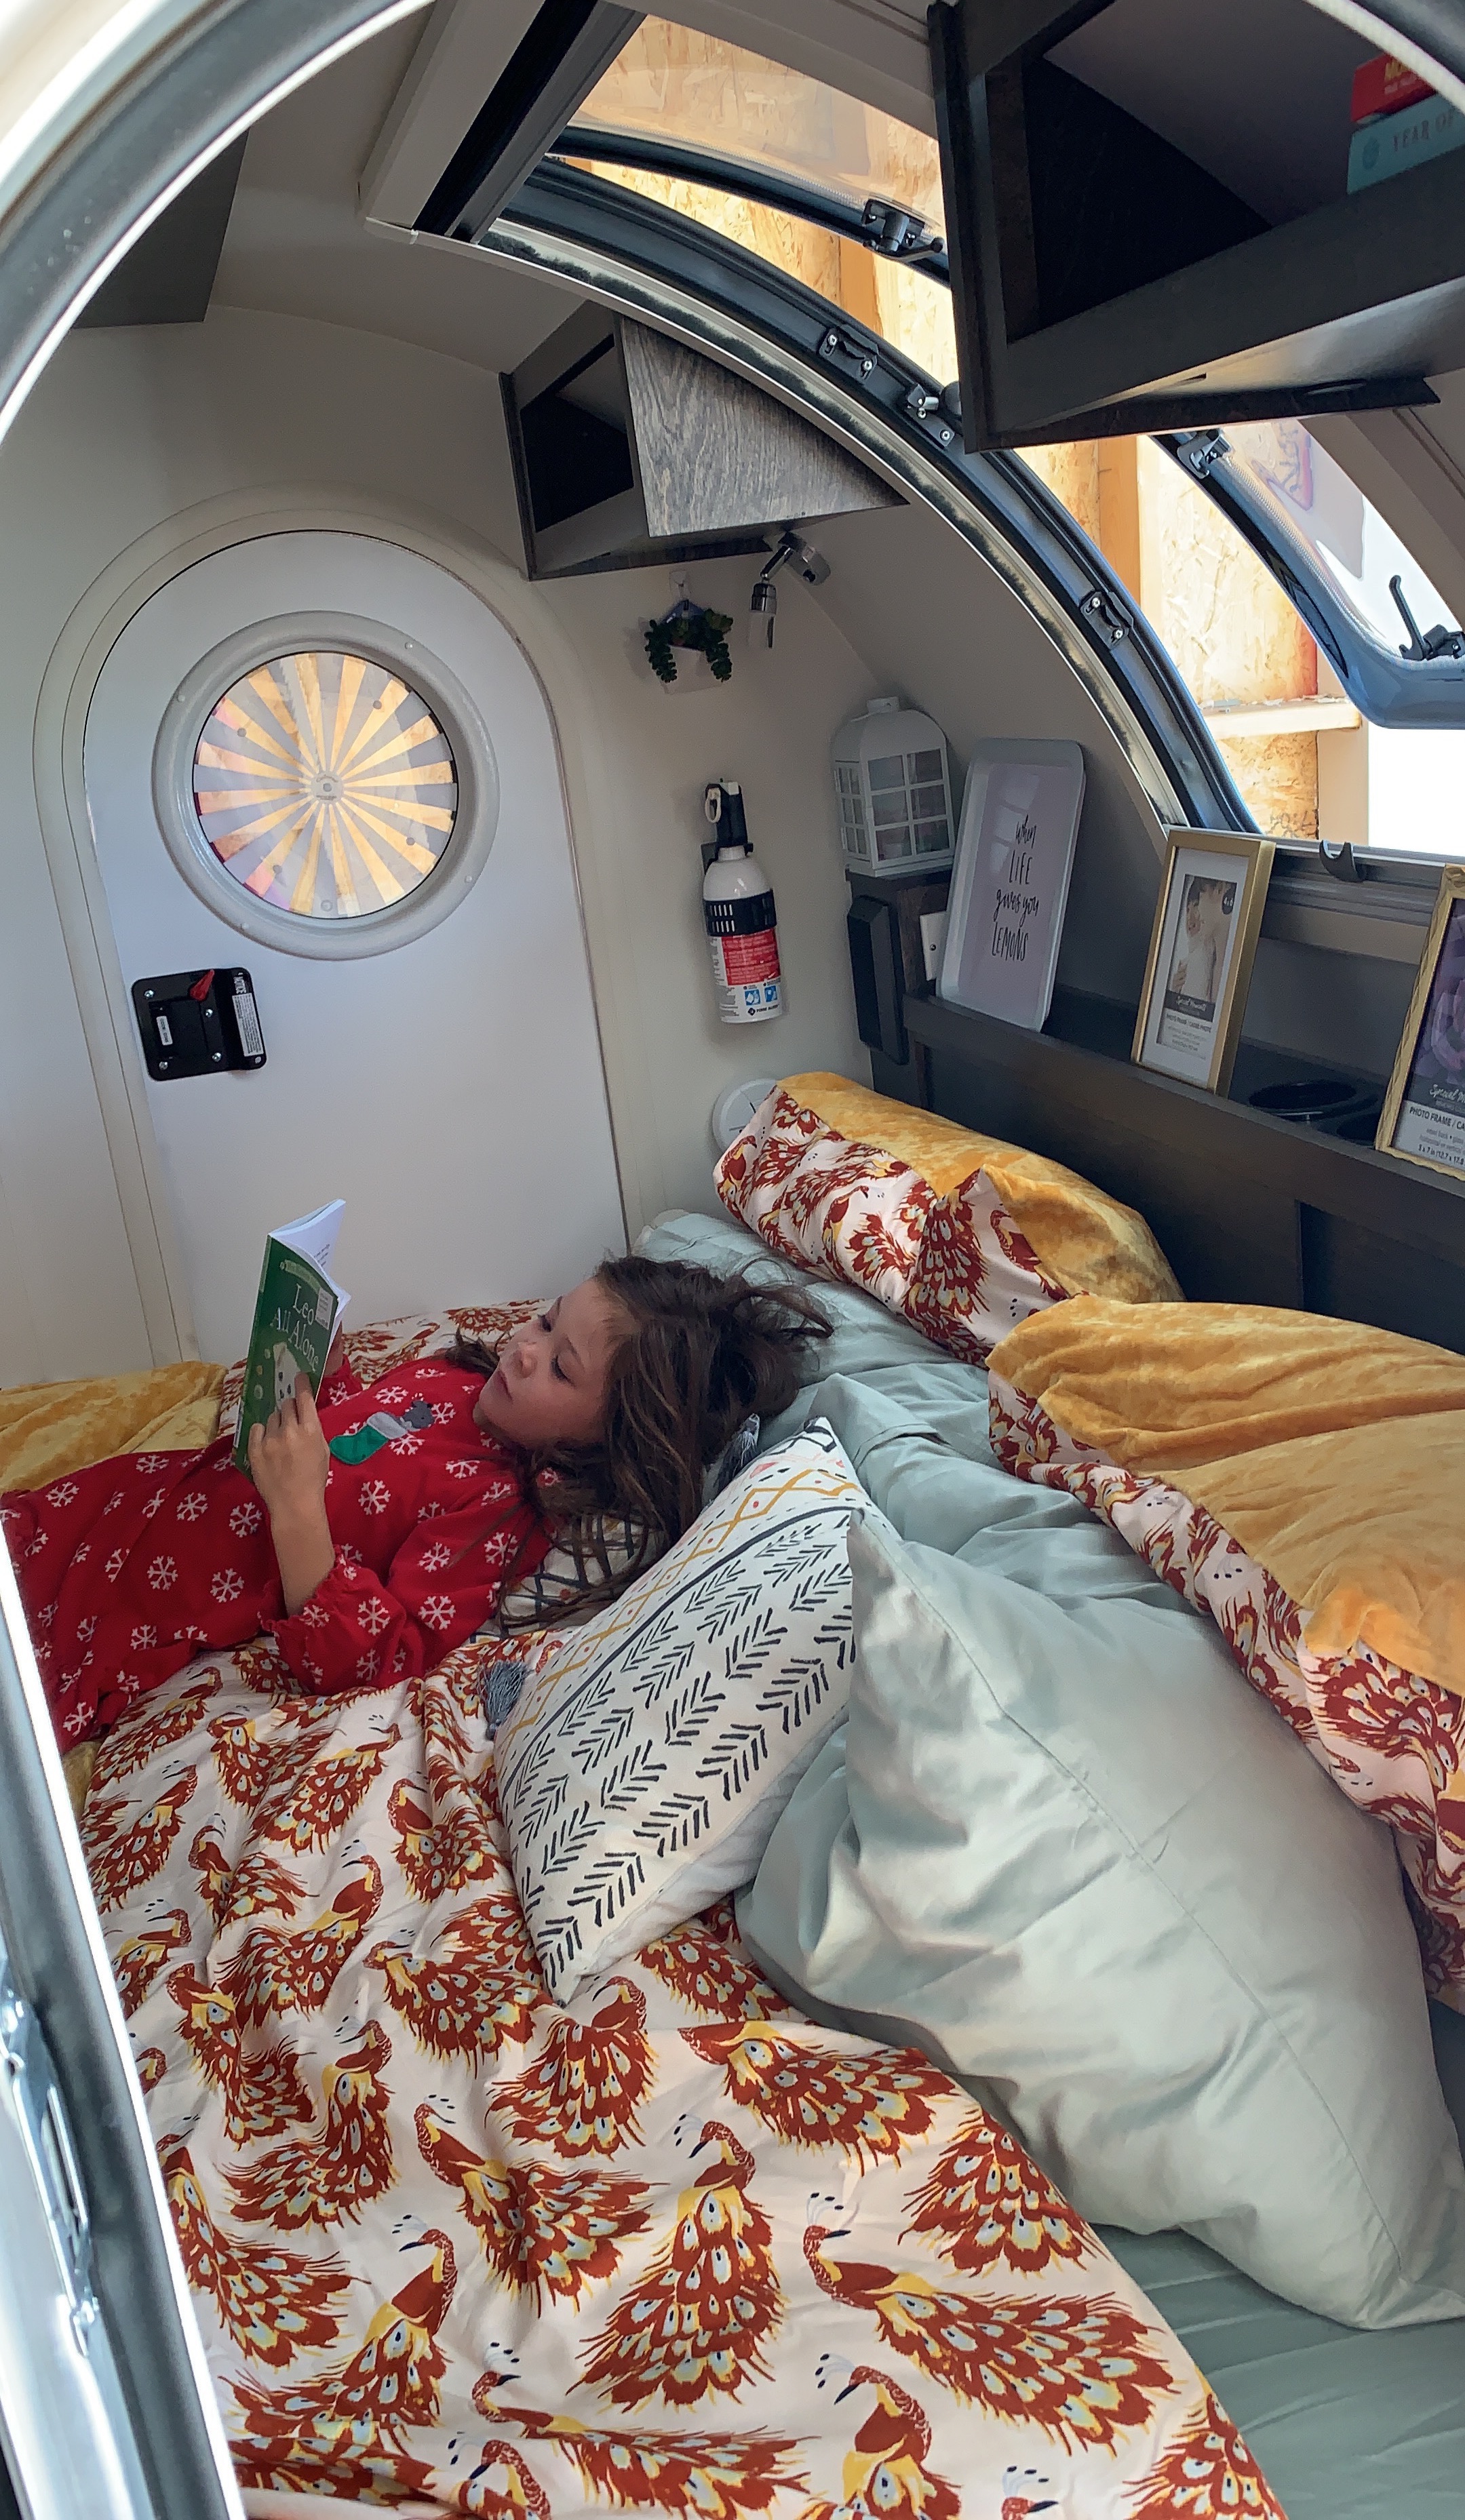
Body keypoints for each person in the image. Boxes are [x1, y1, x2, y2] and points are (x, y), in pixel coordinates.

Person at [1, 1257, 830, 1747]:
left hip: (148, 1596)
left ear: (608, 1440)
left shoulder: (496, 1511)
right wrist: (315, 1370)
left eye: (561, 1366)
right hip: (141, 1497)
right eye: (545, 1322)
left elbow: (385, 1654)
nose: (525, 1348)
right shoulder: (455, 1378)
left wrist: (298, 1512)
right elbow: (362, 1442)